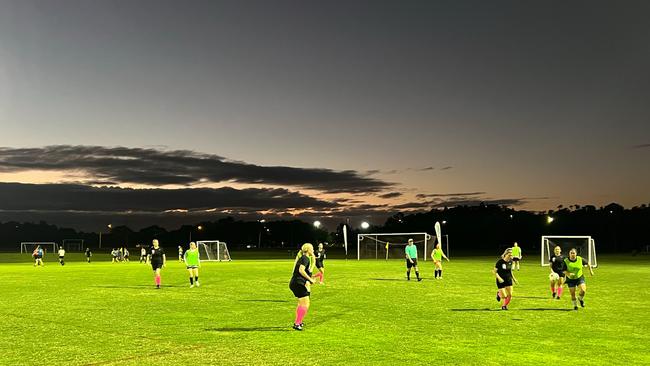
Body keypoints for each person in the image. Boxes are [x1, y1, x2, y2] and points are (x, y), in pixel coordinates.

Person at [289, 243, 316, 331]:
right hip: (298, 283)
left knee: (301, 303)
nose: (313, 250)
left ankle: (298, 322)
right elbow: (301, 270)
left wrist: (309, 279)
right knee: (306, 303)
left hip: (296, 283)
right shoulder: (305, 258)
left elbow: (307, 271)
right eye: (312, 249)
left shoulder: (304, 258)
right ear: (308, 250)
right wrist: (310, 280)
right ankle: (297, 323)